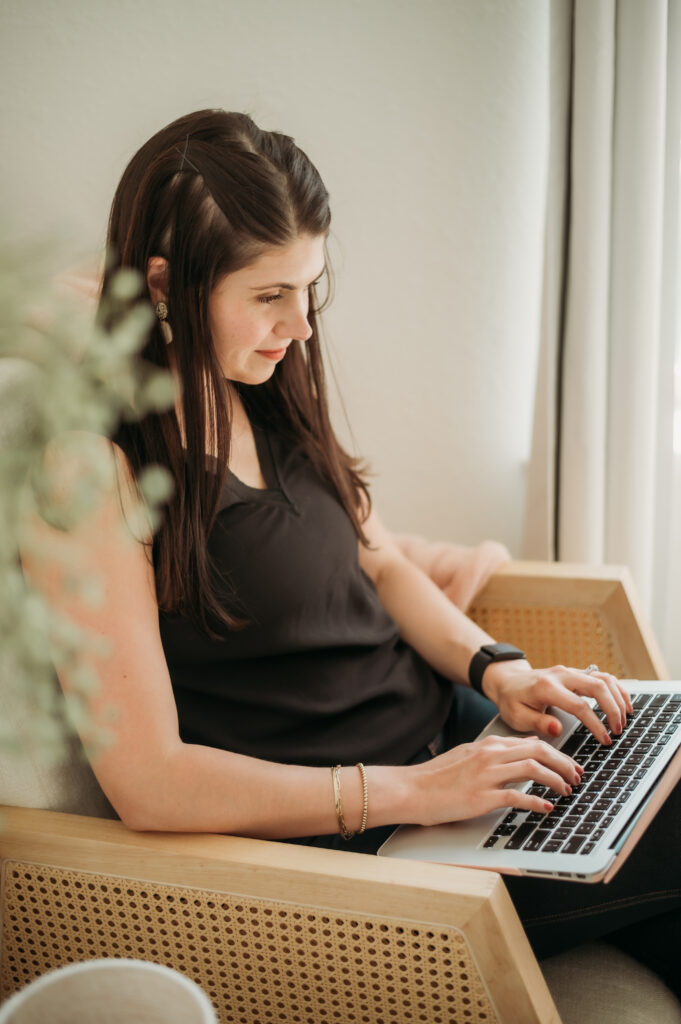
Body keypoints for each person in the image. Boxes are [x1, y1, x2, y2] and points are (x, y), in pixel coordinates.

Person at [23, 109, 681, 996]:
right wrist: (417, 794)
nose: (300, 326)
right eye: (268, 295)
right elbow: (150, 781)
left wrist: (498, 672)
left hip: (458, 748)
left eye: (309, 290)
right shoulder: (90, 471)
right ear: (164, 288)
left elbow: (379, 562)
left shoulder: (260, 380)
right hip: (368, 853)